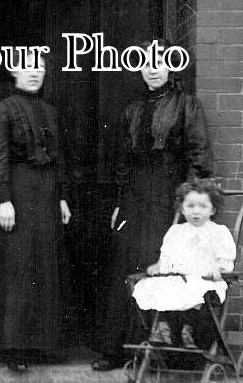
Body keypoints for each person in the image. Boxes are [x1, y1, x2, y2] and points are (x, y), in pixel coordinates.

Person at [92, 38, 213, 371]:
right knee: (127, 265)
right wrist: (120, 201)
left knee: (163, 264)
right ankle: (120, 349)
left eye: (160, 62)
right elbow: (123, 160)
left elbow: (198, 158)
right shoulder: (132, 109)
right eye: (146, 63)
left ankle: (163, 353)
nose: (153, 69)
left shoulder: (186, 105)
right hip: (135, 196)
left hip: (169, 196)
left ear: (171, 66)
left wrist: (186, 205)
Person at [0, 51, 72, 373]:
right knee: (17, 267)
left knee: (43, 266)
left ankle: (42, 345)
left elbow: (58, 157)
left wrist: (61, 198)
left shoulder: (49, 111)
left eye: (41, 68)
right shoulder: (2, 110)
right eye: (28, 67)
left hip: (46, 195)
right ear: (14, 72)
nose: (35, 73)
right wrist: (4, 198)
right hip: (17, 193)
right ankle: (13, 347)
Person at [131, 179, 235, 352]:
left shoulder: (218, 232)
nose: (196, 211)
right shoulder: (176, 231)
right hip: (178, 278)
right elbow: (168, 256)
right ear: (182, 208)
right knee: (158, 287)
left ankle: (188, 331)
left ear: (213, 210)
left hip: (206, 279)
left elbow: (225, 258)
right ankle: (163, 330)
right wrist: (159, 266)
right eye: (191, 206)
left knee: (195, 291)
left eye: (203, 207)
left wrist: (219, 269)